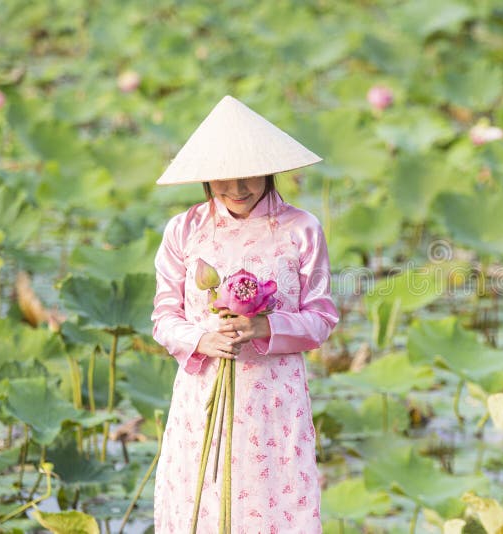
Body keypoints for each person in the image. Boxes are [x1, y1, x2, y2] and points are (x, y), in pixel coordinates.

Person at [150, 95, 339, 533]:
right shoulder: (184, 229)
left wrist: (264, 325)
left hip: (274, 401)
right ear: (206, 177)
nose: (238, 189)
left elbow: (322, 318)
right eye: (224, 179)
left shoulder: (301, 229)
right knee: (203, 505)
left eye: (249, 176)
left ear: (269, 168)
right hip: (205, 392)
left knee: (274, 509)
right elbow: (163, 317)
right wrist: (201, 338)